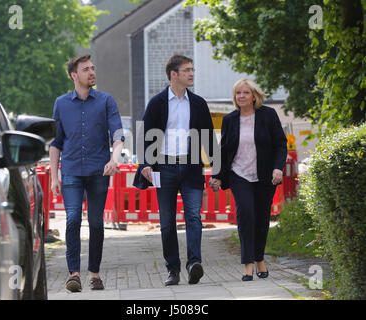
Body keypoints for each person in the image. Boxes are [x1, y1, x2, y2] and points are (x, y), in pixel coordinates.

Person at [133, 54, 217, 286]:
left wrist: (217, 171)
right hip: (165, 168)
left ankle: (193, 263)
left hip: (191, 168)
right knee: (167, 222)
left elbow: (209, 138)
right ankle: (173, 269)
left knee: (193, 216)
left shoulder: (198, 103)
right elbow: (144, 137)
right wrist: (145, 164)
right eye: (187, 70)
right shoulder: (157, 103)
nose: (191, 74)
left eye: (193, 69)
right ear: (174, 74)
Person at [49, 54, 124, 292]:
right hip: (70, 170)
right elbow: (55, 142)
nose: (92, 73)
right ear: (74, 75)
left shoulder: (106, 101)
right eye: (86, 70)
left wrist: (114, 158)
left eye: (93, 68)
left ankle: (94, 274)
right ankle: (74, 274)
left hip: (98, 171)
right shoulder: (61, 103)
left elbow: (118, 135)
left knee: (96, 223)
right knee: (72, 219)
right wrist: (53, 176)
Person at [210, 78, 287, 281]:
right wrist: (217, 175)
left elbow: (280, 144)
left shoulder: (268, 115)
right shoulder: (230, 120)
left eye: (245, 93)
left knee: (262, 219)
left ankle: (259, 259)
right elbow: (224, 151)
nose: (241, 96)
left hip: (264, 176)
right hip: (239, 175)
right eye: (238, 93)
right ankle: (247, 264)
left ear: (254, 96)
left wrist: (278, 167)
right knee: (246, 215)